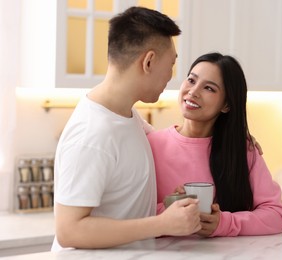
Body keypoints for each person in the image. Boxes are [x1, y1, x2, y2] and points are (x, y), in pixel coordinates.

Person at [52, 6, 201, 251]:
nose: (171, 77)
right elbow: (70, 230)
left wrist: (238, 140)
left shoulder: (126, 115)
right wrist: (162, 224)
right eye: (171, 64)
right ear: (149, 61)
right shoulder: (92, 134)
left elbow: (172, 142)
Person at [147, 53, 282, 237]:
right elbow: (130, 213)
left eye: (209, 88)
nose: (193, 91)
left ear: (227, 105)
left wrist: (224, 223)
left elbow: (276, 215)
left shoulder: (242, 151)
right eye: (191, 80)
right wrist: (167, 210)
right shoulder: (150, 146)